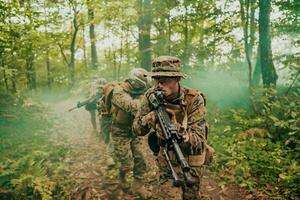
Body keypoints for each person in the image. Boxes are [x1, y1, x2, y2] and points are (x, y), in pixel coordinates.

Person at [133, 56, 210, 199]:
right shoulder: (151, 96)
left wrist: (180, 132)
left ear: (177, 79)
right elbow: (136, 129)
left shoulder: (194, 99)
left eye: (164, 80)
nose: (158, 85)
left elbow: (199, 141)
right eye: (156, 80)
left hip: (191, 162)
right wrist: (147, 120)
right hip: (166, 160)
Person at [102, 68, 152, 198]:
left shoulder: (141, 92)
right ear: (134, 81)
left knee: (140, 157)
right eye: (141, 84)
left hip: (135, 130)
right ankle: (122, 178)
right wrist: (148, 102)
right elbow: (132, 106)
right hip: (120, 131)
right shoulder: (118, 91)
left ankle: (138, 185)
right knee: (127, 162)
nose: (142, 87)